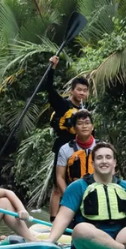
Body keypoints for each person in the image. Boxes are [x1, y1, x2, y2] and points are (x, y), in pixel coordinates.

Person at [45, 55, 90, 221]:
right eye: (79, 90)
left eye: (85, 90)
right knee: (58, 186)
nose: (82, 93)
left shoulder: (85, 109)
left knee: (78, 181)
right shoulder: (63, 105)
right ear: (72, 90)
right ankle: (53, 220)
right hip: (63, 147)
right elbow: (49, 89)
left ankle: (75, 216)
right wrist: (52, 68)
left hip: (79, 148)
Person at [55, 110, 97, 198]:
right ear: (74, 128)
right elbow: (60, 177)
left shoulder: (101, 147)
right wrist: (69, 197)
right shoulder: (65, 149)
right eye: (80, 123)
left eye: (87, 123)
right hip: (75, 193)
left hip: (97, 193)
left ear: (92, 127)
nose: (84, 126)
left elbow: (110, 173)